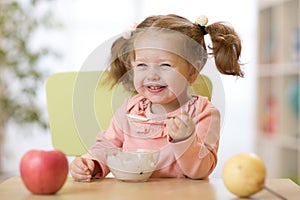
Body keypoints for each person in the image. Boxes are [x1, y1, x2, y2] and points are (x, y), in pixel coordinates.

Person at [70, 14, 243, 182]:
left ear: (192, 72)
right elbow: (108, 145)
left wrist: (186, 139)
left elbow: (202, 170)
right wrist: (91, 162)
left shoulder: (203, 113)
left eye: (165, 65)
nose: (152, 75)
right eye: (142, 65)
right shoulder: (131, 108)